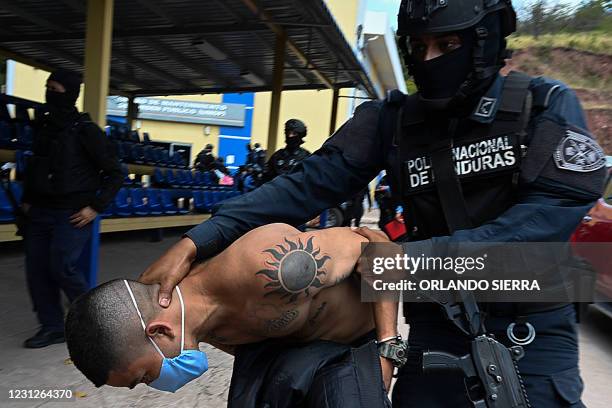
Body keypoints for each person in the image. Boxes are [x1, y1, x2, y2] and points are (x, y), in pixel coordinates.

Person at [140, 0, 607, 406]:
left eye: (447, 45)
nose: (430, 60)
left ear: (485, 42)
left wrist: (409, 263)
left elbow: (539, 226)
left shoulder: (544, 106)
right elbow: (304, 185)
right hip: (438, 323)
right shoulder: (393, 120)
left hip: (529, 326)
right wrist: (198, 238)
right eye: (419, 47)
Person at [66, 224, 390, 407]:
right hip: (311, 356)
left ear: (160, 332)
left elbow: (382, 249)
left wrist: (388, 350)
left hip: (365, 340)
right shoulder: (197, 325)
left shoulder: (268, 270)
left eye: (146, 377)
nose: (156, 384)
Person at [21, 69, 123, 348]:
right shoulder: (42, 127)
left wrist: (95, 207)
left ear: (70, 94)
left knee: (62, 266)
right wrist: (28, 199)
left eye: (55, 89)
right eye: (47, 88)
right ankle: (52, 327)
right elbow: (37, 166)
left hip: (73, 213)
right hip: (39, 212)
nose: (49, 94)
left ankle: (94, 322)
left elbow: (115, 173)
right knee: (37, 270)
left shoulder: (86, 131)